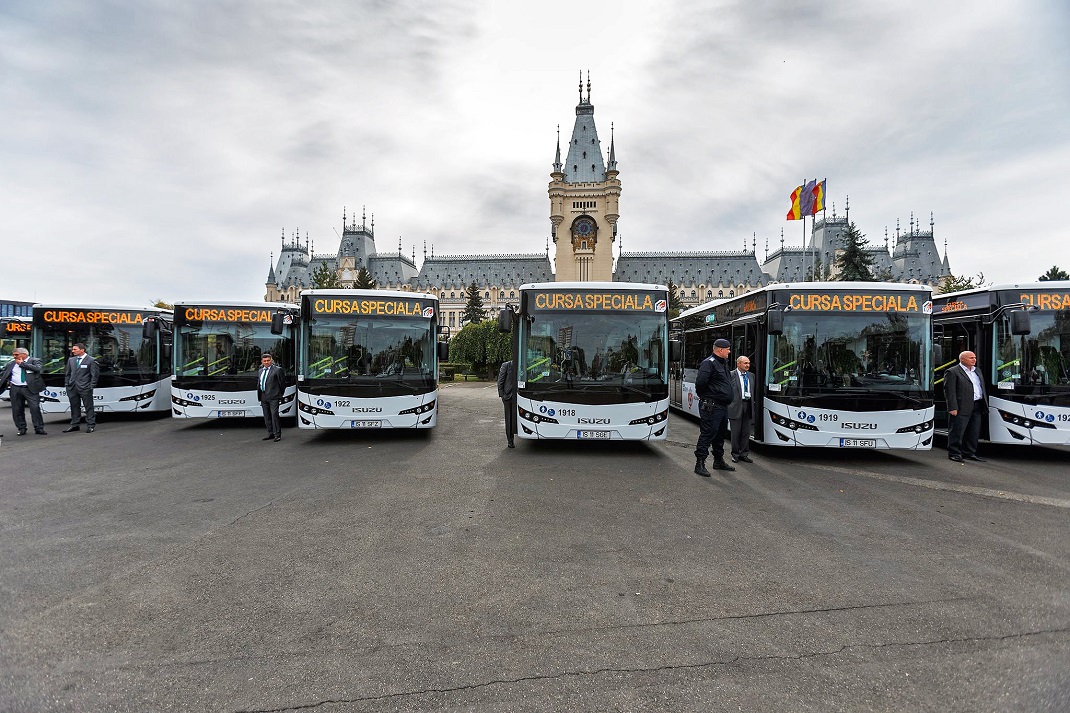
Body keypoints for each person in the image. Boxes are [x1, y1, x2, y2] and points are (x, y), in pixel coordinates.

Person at [693, 338, 735, 476]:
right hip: (712, 406)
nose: (729, 351)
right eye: (728, 349)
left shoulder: (723, 363)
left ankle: (718, 460)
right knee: (708, 433)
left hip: (722, 406)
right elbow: (700, 384)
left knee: (720, 434)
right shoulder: (708, 363)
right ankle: (700, 463)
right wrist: (708, 397)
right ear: (720, 350)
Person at [944, 350, 988, 463]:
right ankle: (954, 453)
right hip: (961, 405)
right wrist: (952, 407)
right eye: (971, 358)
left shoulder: (977, 371)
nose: (974, 360)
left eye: (975, 357)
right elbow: (950, 391)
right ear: (962, 359)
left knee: (974, 431)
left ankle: (969, 453)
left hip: (977, 404)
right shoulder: (952, 372)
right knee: (957, 430)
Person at [0, 347, 47, 436]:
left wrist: (22, 364)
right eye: (13, 355)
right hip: (15, 388)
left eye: (16, 355)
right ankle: (21, 428)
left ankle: (39, 428)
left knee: (35, 408)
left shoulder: (35, 361)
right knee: (17, 409)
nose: (14, 356)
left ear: (24, 354)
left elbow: (37, 369)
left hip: (30, 389)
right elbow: (3, 374)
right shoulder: (11, 363)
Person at [64, 343, 99, 433]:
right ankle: (75, 424)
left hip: (85, 388)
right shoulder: (71, 360)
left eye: (75, 349)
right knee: (74, 406)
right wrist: (67, 384)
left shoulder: (91, 360)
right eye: (73, 349)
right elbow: (67, 374)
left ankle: (90, 425)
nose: (73, 351)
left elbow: (94, 376)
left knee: (88, 407)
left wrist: (91, 386)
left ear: (82, 350)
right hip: (72, 387)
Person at [728, 355, 754, 463]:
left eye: (748, 363)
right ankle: (735, 454)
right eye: (745, 363)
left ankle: (744, 454)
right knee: (736, 432)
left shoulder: (751, 376)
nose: (748, 365)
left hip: (748, 405)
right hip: (735, 406)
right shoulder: (731, 375)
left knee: (746, 432)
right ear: (738, 364)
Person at [257, 352, 287, 442]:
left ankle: (277, 434)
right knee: (267, 416)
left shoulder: (277, 370)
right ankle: (270, 433)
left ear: (271, 360)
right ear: (262, 361)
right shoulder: (260, 370)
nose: (267, 362)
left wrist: (279, 394)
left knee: (274, 415)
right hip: (263, 396)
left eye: (268, 360)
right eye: (265, 361)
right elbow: (260, 383)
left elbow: (282, 384)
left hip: (274, 396)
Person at [496, 360, 517, 448]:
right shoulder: (506, 365)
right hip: (508, 397)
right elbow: (500, 381)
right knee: (509, 419)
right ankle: (510, 440)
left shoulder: (522, 364)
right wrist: (503, 395)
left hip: (520, 396)